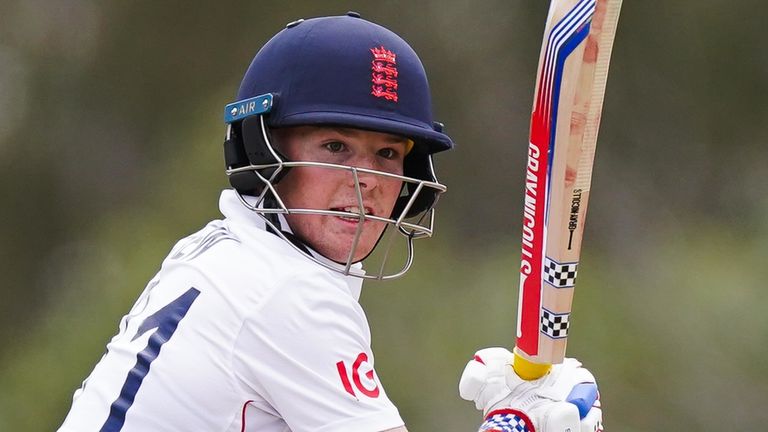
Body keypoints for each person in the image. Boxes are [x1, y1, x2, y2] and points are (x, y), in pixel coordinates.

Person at [58, 12, 602, 432]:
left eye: (388, 154)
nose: (366, 179)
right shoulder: (287, 293)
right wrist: (516, 420)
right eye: (336, 146)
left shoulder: (219, 252)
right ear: (262, 151)